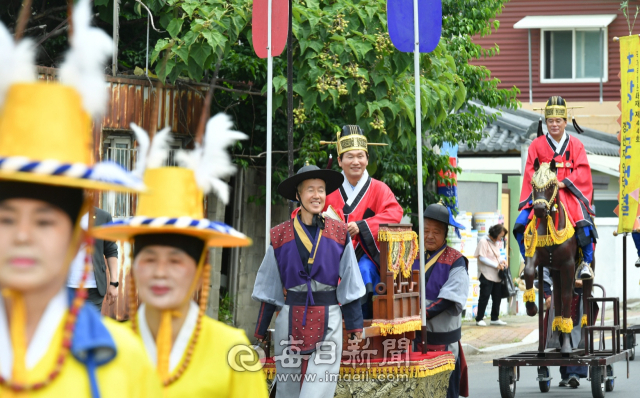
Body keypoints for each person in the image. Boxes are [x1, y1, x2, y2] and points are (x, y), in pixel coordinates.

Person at [0, 1, 162, 395]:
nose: (24, 236)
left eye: (45, 220)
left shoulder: (125, 360)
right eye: (7, 218)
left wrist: (114, 283)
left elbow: (110, 251)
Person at [91, 114, 269, 397]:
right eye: (149, 259)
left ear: (200, 269)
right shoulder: (103, 347)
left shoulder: (234, 350)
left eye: (175, 261)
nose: (161, 272)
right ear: (133, 268)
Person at [253, 164, 366, 398]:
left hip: (330, 320)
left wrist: (355, 327)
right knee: (288, 390)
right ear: (298, 194)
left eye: (321, 190)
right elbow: (269, 288)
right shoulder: (279, 235)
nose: (317, 196)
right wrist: (260, 332)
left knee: (317, 391)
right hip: (289, 319)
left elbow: (350, 284)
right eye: (310, 190)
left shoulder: (339, 233)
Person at [514, 96, 597, 280]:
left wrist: (564, 183)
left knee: (584, 223)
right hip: (544, 194)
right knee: (520, 225)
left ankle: (585, 263)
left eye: (558, 121)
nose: (554, 125)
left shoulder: (576, 145)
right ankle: (529, 262)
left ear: (566, 122)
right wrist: (544, 186)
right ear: (545, 122)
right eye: (550, 121)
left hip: (569, 193)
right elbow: (530, 171)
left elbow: (582, 169)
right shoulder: (536, 145)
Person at [324, 125, 403, 318]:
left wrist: (361, 227)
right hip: (332, 255)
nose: (356, 161)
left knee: (364, 272)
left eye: (360, 156)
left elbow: (395, 213)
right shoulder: (327, 190)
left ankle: (364, 324)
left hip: (366, 255)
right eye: (349, 156)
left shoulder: (380, 189)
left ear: (367, 159)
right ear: (340, 161)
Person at [412, 202, 469, 398]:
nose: (429, 235)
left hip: (443, 345)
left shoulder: (456, 260)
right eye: (425, 230)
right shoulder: (412, 256)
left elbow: (448, 299)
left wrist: (420, 316)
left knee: (445, 393)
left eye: (436, 231)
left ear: (445, 234)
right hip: (414, 342)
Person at [540, 268, 588, 388]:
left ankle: (574, 373)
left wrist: (582, 280)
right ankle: (566, 374)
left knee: (576, 333)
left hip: (579, 294)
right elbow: (544, 271)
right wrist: (547, 295)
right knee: (557, 332)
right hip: (557, 294)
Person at [67, 207, 119, 312]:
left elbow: (111, 250)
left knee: (91, 326)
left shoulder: (103, 216)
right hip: (65, 287)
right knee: (67, 326)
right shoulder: (60, 213)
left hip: (93, 289)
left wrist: (114, 283)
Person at [474, 224, 509, 326]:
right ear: (495, 233)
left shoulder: (494, 243)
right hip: (486, 274)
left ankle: (495, 317)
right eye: (500, 236)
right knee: (484, 296)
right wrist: (496, 265)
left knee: (497, 296)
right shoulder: (483, 242)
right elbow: (482, 258)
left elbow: (496, 256)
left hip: (496, 275)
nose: (501, 238)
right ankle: (479, 318)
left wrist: (503, 260)